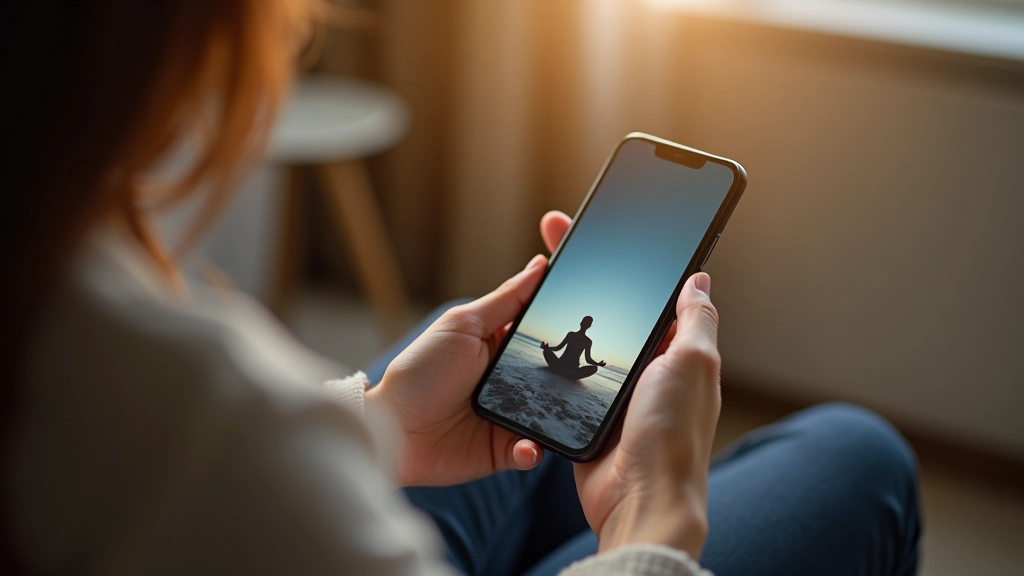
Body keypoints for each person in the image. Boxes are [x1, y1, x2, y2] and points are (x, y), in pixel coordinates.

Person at [0, 2, 921, 575]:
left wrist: (378, 421)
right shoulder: (194, 425)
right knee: (858, 456)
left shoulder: (67, 318)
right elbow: (231, 477)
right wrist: (652, 519)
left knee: (515, 398)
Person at [541, 316, 607, 380]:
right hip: (560, 364)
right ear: (581, 323)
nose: (585, 324)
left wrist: (598, 364)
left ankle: (566, 373)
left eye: (588, 323)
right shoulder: (571, 334)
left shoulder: (588, 341)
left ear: (589, 326)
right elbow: (558, 347)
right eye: (584, 322)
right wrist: (547, 348)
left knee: (594, 368)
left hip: (572, 369)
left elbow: (588, 359)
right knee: (546, 351)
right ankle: (565, 373)